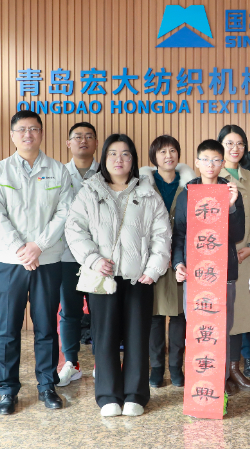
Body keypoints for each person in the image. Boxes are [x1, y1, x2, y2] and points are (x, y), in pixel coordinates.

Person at [67, 134, 172, 417]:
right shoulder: (90, 191)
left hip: (139, 278)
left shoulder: (147, 193)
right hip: (104, 277)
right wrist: (93, 259)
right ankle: (108, 396)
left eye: (125, 154)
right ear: (104, 158)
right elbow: (74, 229)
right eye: (113, 153)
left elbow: (162, 234)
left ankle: (135, 395)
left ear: (133, 160)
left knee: (138, 337)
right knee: (105, 338)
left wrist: (153, 269)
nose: (119, 159)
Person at [0, 110, 74, 415]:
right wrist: (21, 249)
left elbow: (64, 213)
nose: (28, 134)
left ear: (41, 133)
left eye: (33, 129)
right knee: (7, 329)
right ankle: (8, 390)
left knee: (46, 327)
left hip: (46, 260)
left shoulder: (58, 171)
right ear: (12, 135)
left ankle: (47, 386)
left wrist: (38, 246)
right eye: (21, 130)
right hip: (8, 261)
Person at [171, 139, 245, 397]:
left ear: (223, 163)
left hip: (223, 274)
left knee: (221, 330)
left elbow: (238, 234)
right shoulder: (187, 195)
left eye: (216, 160)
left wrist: (232, 205)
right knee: (197, 329)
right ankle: (199, 383)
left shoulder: (231, 191)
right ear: (197, 163)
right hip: (196, 275)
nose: (210, 165)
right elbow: (179, 235)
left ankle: (219, 383)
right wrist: (178, 263)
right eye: (205, 160)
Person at [139, 134, 196, 388]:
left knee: (179, 315)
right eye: (162, 152)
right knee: (154, 315)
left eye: (172, 150)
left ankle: (175, 367)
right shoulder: (143, 185)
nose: (168, 156)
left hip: (182, 256)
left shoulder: (191, 186)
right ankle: (156, 368)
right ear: (154, 157)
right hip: (152, 256)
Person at [219, 125, 250, 388]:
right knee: (222, 315)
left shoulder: (249, 177)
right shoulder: (214, 175)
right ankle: (220, 372)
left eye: (239, 143)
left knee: (240, 317)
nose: (235, 148)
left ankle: (234, 369)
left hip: (246, 256)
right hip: (220, 257)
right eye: (229, 143)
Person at [58, 122, 99, 386]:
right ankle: (71, 363)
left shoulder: (107, 172)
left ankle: (101, 362)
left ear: (96, 143)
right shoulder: (59, 174)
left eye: (88, 136)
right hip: (67, 254)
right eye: (77, 137)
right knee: (70, 311)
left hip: (99, 257)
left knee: (101, 311)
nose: (83, 140)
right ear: (68, 143)